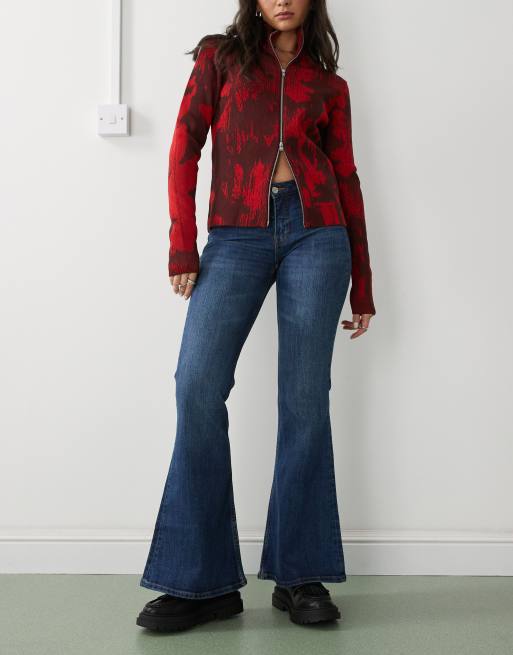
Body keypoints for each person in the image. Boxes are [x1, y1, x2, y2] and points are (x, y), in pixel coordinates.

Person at [136, 0, 376, 632]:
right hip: (235, 233)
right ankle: (200, 583)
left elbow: (347, 177)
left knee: (304, 401)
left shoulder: (329, 86)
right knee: (197, 386)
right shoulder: (220, 59)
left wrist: (364, 282)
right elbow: (184, 147)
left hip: (318, 234)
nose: (282, 0)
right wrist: (181, 245)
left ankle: (300, 575)